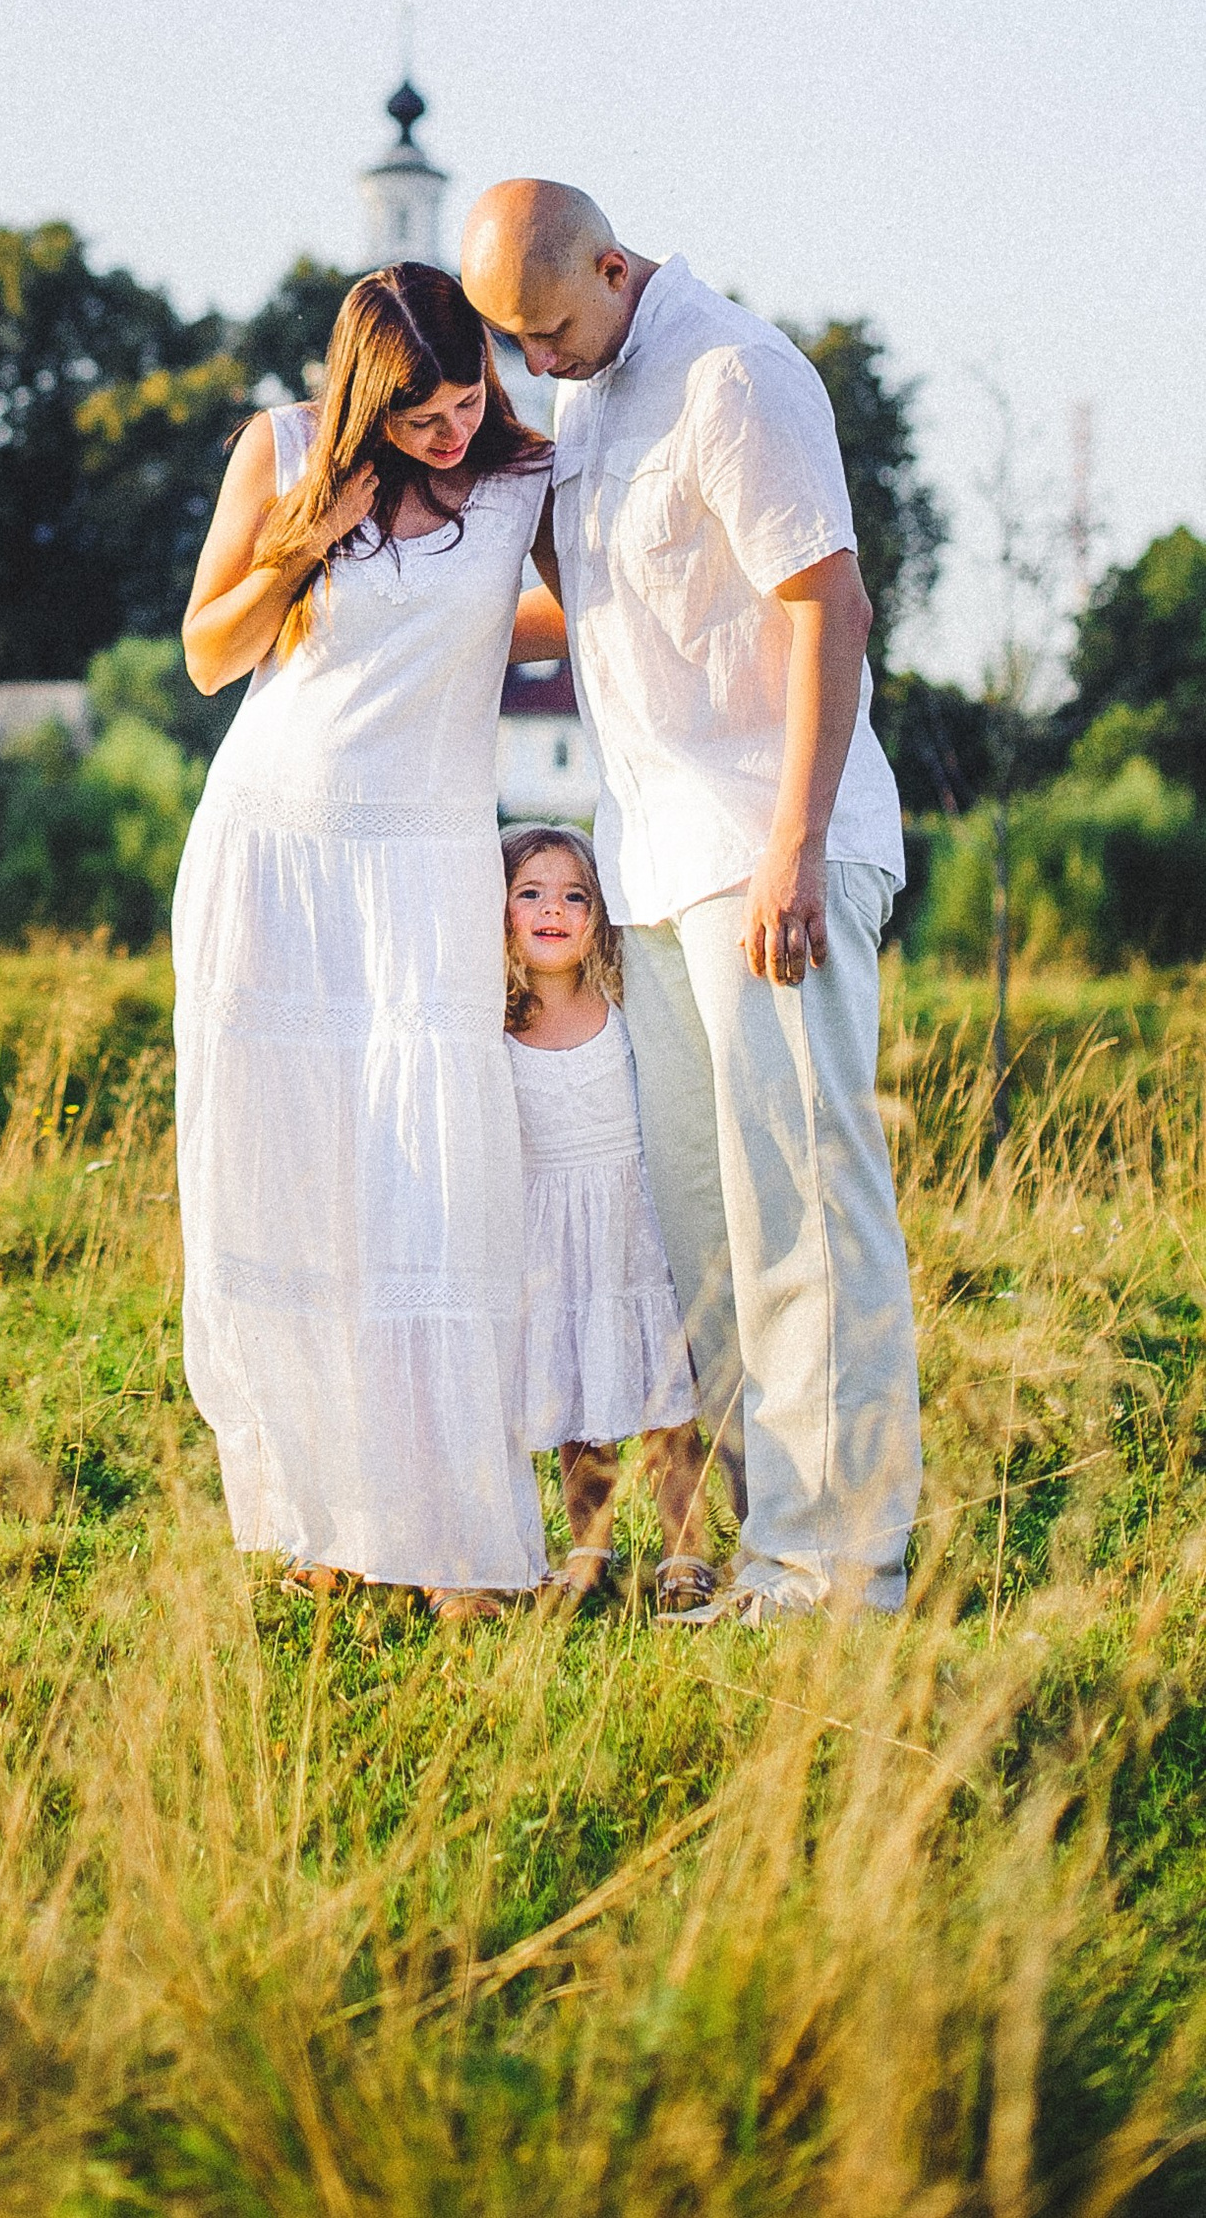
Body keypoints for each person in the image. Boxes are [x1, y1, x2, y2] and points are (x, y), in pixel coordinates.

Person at [459, 181, 922, 1622]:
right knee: (705, 1233)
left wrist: (792, 841)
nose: (541, 361)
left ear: (613, 263)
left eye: (550, 327)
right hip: (651, 867)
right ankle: (771, 1542)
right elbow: (592, 607)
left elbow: (827, 604)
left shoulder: (735, 376)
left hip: (764, 852)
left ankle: (840, 1571)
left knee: (803, 1211)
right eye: (513, 343)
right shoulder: (596, 395)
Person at [172, 263, 554, 1622]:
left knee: (437, 1193)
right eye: (424, 415)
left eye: (468, 399)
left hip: (423, 858)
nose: (452, 430)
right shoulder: (278, 446)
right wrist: (302, 534)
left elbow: (598, 616)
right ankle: (323, 1519)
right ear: (359, 397)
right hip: (273, 848)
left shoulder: (525, 479)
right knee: (294, 1185)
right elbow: (211, 652)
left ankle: (455, 1541)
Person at [500, 822, 717, 1615]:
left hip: (630, 1226)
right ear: (499, 912)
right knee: (574, 1398)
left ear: (599, 914)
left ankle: (685, 1546)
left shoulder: (623, 1006)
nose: (552, 908)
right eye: (530, 893)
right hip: (552, 1235)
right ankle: (589, 1545)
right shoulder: (495, 1024)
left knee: (665, 1402)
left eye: (574, 894)